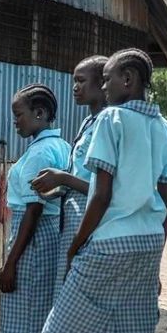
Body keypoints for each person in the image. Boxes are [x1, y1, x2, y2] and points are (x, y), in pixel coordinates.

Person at [42, 48, 167, 333]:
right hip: (147, 246)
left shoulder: (110, 119)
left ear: (128, 80)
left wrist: (75, 245)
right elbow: (166, 204)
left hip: (108, 245)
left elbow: (101, 195)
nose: (104, 88)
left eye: (107, 80)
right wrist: (156, 257)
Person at [0, 84, 71, 333]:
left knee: (14, 331)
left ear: (39, 113)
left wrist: (10, 264)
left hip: (32, 242)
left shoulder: (39, 153)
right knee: (42, 328)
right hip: (51, 239)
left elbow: (33, 211)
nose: (15, 121)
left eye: (19, 115)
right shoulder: (62, 146)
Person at [31, 56, 108, 299]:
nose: (75, 87)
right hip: (73, 213)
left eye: (82, 81)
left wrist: (62, 178)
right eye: (74, 81)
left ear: (102, 84)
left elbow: (103, 189)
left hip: (91, 216)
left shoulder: (108, 125)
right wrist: (57, 190)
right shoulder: (88, 122)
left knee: (76, 291)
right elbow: (81, 176)